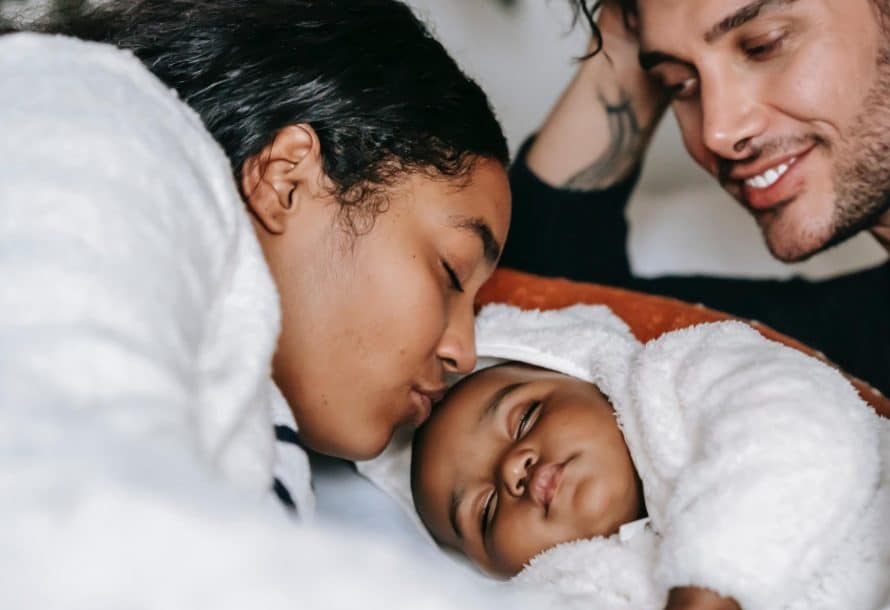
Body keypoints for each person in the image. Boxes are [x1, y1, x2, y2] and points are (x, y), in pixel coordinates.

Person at [0, 0, 510, 517]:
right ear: (286, 179)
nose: (463, 355)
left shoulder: (246, 412)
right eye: (452, 272)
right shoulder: (88, 141)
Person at [501, 0, 890, 421]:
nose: (717, 131)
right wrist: (626, 23)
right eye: (680, 84)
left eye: (763, 45)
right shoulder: (875, 341)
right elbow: (543, 304)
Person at [411, 303, 890, 610]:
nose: (509, 470)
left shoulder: (681, 375)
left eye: (523, 419)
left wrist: (699, 606)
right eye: (485, 512)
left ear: (584, 376)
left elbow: (799, 431)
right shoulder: (560, 593)